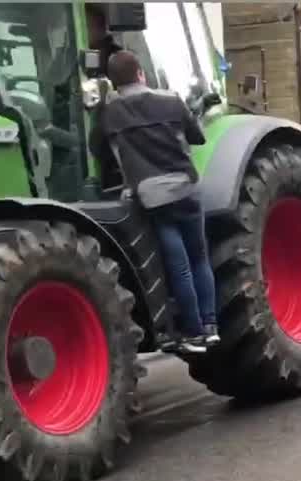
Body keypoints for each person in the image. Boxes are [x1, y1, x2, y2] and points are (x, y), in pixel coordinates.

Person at [98, 50, 219, 353]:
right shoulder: (170, 100)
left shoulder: (110, 112)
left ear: (114, 81)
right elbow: (198, 137)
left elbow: (105, 151)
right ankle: (211, 326)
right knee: (200, 258)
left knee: (179, 267)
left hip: (152, 196)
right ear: (141, 73)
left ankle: (192, 333)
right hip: (185, 186)